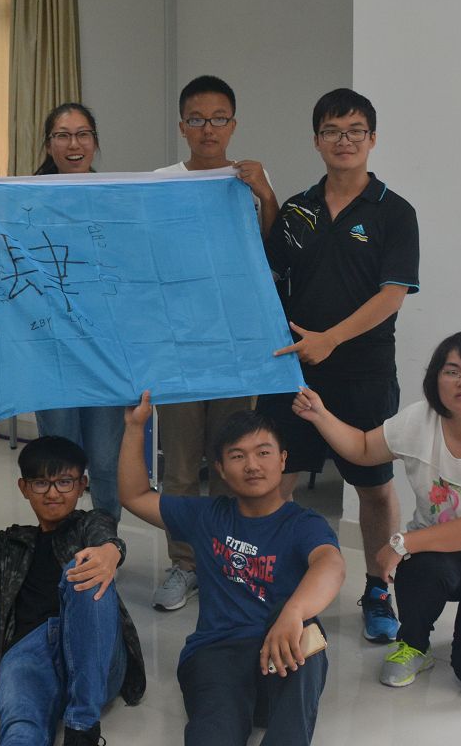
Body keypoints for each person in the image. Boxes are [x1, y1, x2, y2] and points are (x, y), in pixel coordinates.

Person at [291, 330, 461, 694]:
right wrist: (320, 415)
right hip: (445, 556)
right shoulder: (420, 420)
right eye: (452, 371)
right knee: (419, 566)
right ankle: (413, 643)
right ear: (435, 378)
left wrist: (401, 542)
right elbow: (364, 449)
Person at [258, 88, 419, 644]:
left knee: (374, 487)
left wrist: (330, 340)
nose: (343, 140)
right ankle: (279, 589)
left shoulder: (394, 212)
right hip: (292, 371)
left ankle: (378, 588)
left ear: (371, 139)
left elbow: (392, 295)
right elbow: (266, 275)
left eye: (354, 131)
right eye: (332, 130)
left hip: (363, 373)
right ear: (316, 140)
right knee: (277, 480)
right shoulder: (297, 210)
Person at [119, 394, 344, 745]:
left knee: (307, 631)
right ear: (221, 469)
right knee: (213, 733)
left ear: (282, 459)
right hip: (216, 655)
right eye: (238, 456)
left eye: (263, 452)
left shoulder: (303, 524)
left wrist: (294, 611)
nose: (252, 465)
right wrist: (135, 427)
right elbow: (134, 496)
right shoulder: (207, 515)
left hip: (280, 656)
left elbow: (331, 564)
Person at [0, 420, 145, 745]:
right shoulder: (10, 545)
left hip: (93, 653)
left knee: (84, 568)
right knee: (20, 729)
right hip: (30, 655)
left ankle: (82, 729)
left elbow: (105, 536)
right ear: (24, 488)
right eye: (41, 483)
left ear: (82, 485)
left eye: (65, 482)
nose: (53, 493)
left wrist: (111, 550)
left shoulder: (90, 523)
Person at [150, 75, 279, 611]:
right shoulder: (160, 182)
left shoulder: (250, 179)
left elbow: (270, 251)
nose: (209, 129)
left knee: (233, 458)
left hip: (236, 347)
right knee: (180, 466)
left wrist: (265, 194)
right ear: (182, 126)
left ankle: (228, 561)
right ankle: (184, 563)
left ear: (234, 124)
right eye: (198, 120)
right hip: (179, 346)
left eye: (219, 119)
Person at [30, 102, 126, 521]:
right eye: (63, 135)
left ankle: (106, 539)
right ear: (49, 144)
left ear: (95, 142)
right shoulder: (23, 200)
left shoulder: (113, 198)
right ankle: (60, 541)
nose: (74, 144)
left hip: (105, 353)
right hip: (52, 353)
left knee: (105, 462)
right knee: (59, 462)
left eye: (83, 134)